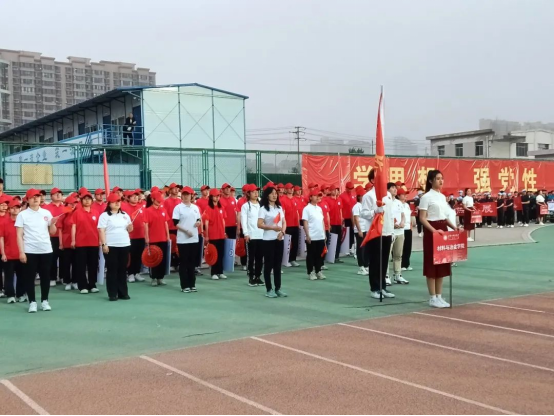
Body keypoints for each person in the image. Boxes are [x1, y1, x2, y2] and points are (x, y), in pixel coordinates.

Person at [419, 170, 458, 309]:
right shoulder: (426, 197)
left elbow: (444, 216)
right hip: (432, 230)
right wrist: (434, 231)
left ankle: (439, 296)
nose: (441, 181)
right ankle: (432, 297)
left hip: (443, 229)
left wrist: (454, 227)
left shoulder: (442, 197)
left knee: (442, 263)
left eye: (442, 178)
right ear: (431, 181)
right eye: (438, 178)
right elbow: (422, 218)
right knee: (432, 263)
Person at [16, 189, 58, 313]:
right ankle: (32, 302)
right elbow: (19, 235)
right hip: (30, 250)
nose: (36, 199)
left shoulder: (46, 213)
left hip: (46, 250)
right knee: (30, 277)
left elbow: (52, 232)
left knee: (45, 276)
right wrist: (21, 252)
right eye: (32, 197)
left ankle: (45, 301)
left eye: (38, 196)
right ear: (28, 200)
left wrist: (53, 223)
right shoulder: (22, 215)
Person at [361, 170, 396, 300]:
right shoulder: (368, 196)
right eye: (378, 178)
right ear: (372, 180)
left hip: (387, 231)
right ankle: (374, 288)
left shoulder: (388, 195)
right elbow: (364, 213)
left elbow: (390, 215)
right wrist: (375, 210)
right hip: (375, 232)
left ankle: (382, 287)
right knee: (375, 261)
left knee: (384, 261)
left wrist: (392, 231)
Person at [98, 194, 133, 301]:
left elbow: (130, 230)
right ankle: (112, 293)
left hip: (124, 244)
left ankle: (123, 292)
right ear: (109, 203)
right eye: (114, 201)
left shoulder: (125, 215)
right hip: (111, 246)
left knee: (122, 269)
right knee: (112, 269)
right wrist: (104, 244)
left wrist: (130, 227)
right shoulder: (104, 216)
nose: (118, 203)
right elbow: (101, 230)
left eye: (119, 201)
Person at [257, 186, 287, 299]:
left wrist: (282, 232)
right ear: (267, 195)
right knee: (268, 265)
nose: (275, 195)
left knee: (277, 265)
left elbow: (284, 222)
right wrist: (272, 228)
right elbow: (259, 224)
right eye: (272, 193)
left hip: (279, 239)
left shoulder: (279, 208)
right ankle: (269, 289)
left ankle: (278, 288)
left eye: (276, 193)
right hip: (268, 240)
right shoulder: (263, 209)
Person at [173, 187, 202, 293]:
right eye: (184, 194)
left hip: (194, 238)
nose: (186, 196)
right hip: (183, 239)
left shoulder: (195, 207)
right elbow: (175, 223)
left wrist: (198, 223)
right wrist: (186, 231)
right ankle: (184, 285)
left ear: (191, 196)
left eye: (188, 195)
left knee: (192, 262)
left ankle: (192, 284)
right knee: (184, 262)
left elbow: (198, 218)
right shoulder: (178, 208)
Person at [71, 190, 100, 295]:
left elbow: (99, 228)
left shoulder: (96, 212)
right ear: (81, 201)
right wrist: (73, 240)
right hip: (81, 243)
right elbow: (73, 226)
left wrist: (100, 240)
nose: (87, 201)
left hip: (94, 242)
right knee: (81, 265)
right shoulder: (77, 212)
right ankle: (82, 286)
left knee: (93, 265)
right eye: (85, 199)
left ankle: (92, 284)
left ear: (92, 201)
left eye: (89, 199)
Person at [0, 199, 26, 304]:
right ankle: (10, 295)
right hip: (9, 254)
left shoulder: (24, 222)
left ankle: (20, 294)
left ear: (20, 209)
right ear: (9, 210)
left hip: (21, 254)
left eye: (17, 208)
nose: (15, 210)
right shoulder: (3, 223)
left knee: (22, 276)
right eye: (13, 208)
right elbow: (1, 238)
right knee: (9, 276)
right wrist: (3, 253)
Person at [144, 192, 171, 286]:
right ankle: (153, 278)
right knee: (153, 259)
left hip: (163, 238)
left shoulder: (163, 210)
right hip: (153, 239)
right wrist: (147, 237)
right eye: (158, 200)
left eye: (160, 200)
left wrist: (168, 236)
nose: (159, 202)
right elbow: (146, 224)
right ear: (152, 199)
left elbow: (166, 223)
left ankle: (160, 277)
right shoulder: (148, 211)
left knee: (162, 259)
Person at [241, 184, 265, 287]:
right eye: (253, 192)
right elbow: (243, 221)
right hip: (251, 236)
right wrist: (246, 233)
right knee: (251, 258)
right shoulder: (245, 206)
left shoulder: (261, 205)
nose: (256, 193)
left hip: (261, 235)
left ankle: (258, 277)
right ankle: (251, 277)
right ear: (248, 194)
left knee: (260, 258)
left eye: (257, 191)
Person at [122, 190, 146, 283]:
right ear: (128, 198)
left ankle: (137, 272)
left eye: (137, 196)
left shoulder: (141, 207)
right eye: (133, 196)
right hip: (129, 236)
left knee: (139, 255)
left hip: (141, 235)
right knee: (130, 256)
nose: (136, 197)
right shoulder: (124, 207)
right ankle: (130, 273)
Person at [203, 188, 227, 280]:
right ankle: (214, 272)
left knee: (221, 254)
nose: (217, 198)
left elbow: (223, 221)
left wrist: (224, 232)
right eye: (215, 196)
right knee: (214, 254)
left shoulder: (221, 207)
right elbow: (206, 223)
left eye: (218, 196)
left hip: (221, 235)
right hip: (213, 235)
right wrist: (207, 235)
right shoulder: (208, 208)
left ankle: (220, 272)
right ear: (211, 197)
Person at [303, 190, 326, 281]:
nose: (318, 197)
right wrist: (307, 235)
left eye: (319, 196)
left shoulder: (319, 209)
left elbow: (322, 222)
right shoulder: (307, 209)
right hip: (312, 236)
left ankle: (318, 271)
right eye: (316, 196)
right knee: (311, 255)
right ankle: (310, 272)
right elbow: (305, 222)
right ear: (310, 197)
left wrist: (324, 234)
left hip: (320, 235)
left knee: (319, 255)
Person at [58, 196, 78, 291]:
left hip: (77, 242)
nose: (73, 205)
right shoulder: (63, 216)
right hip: (66, 243)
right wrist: (61, 243)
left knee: (76, 263)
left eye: (75, 203)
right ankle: (67, 282)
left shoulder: (78, 214)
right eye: (71, 203)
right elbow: (60, 230)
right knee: (66, 263)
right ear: (66, 204)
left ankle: (75, 281)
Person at [391, 188, 409, 285]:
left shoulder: (399, 203)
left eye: (395, 188)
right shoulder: (386, 202)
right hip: (390, 232)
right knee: (387, 256)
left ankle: (398, 275)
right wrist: (392, 224)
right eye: (392, 188)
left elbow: (403, 215)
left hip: (400, 232)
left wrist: (402, 222)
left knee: (398, 255)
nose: (395, 190)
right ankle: (386, 276)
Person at [164, 183, 182, 271]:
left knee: (179, 246)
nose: (176, 190)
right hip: (170, 227)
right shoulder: (166, 201)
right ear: (170, 190)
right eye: (174, 188)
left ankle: (178, 263)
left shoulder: (180, 201)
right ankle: (171, 263)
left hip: (180, 228)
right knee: (171, 247)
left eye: (177, 188)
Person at [352, 186, 369, 276]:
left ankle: (366, 265)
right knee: (360, 248)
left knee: (365, 248)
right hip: (360, 230)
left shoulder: (364, 205)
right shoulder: (356, 206)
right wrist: (359, 230)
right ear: (359, 197)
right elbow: (356, 219)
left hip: (365, 229)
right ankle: (361, 266)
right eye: (362, 195)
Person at [283, 183, 301, 268]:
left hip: (295, 225)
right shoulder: (283, 199)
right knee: (287, 243)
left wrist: (298, 223)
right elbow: (283, 213)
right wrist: (283, 225)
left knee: (295, 243)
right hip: (287, 225)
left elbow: (297, 212)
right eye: (289, 188)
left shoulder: (295, 199)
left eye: (292, 188)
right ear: (286, 190)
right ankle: (285, 259)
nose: (291, 190)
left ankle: (293, 259)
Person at [339, 182, 357, 255]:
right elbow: (340, 208)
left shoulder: (354, 194)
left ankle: (352, 247)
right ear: (346, 188)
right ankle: (346, 248)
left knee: (353, 232)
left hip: (354, 216)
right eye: (349, 188)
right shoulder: (342, 196)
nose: (350, 190)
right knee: (346, 233)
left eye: (352, 188)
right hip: (346, 217)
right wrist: (342, 218)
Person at [328, 185, 344, 263]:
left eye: (336, 190)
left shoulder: (339, 200)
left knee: (338, 240)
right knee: (332, 241)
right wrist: (328, 224)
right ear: (330, 191)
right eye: (333, 190)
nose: (335, 191)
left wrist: (341, 221)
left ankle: (337, 256)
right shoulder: (327, 200)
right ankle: (331, 256)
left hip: (338, 223)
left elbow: (340, 211)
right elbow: (327, 213)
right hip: (332, 223)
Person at [401, 192, 414, 272]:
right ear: (399, 196)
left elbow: (409, 216)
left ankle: (407, 263)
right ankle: (402, 264)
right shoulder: (397, 204)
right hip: (401, 228)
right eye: (404, 194)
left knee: (408, 247)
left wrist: (411, 225)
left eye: (406, 195)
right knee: (402, 247)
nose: (406, 196)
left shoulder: (407, 205)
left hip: (408, 228)